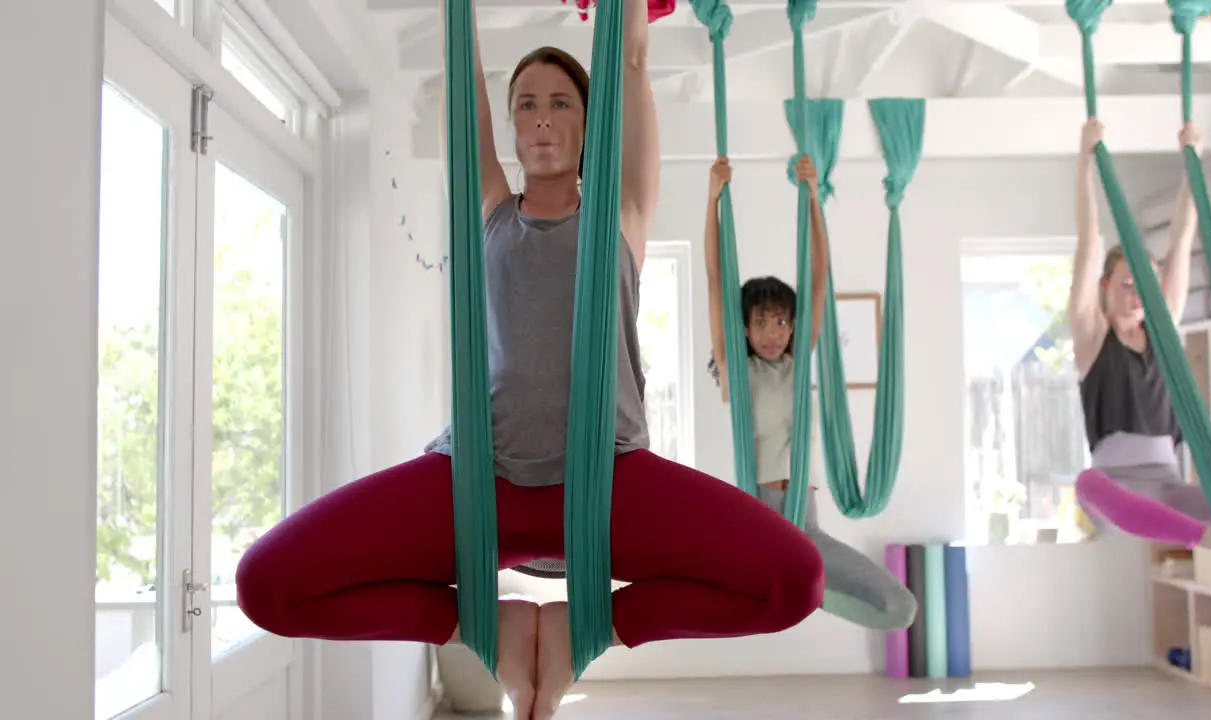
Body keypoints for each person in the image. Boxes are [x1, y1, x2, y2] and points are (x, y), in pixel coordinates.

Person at [233, 2, 826, 719]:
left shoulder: (623, 216)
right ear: (511, 125)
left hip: (607, 481)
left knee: (795, 581)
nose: (542, 118)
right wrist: (460, 621)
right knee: (267, 586)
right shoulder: (490, 210)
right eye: (525, 105)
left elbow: (633, 65)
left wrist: (627, 14)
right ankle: (491, 630)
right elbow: (462, 78)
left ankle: (590, 631)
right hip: (480, 482)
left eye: (562, 103)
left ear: (588, 123)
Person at [702, 156, 917, 630]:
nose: (774, 331)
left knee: (900, 609)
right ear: (745, 327)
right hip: (758, 515)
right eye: (761, 321)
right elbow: (716, 279)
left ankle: (804, 591)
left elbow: (820, 278)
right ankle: (779, 585)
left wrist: (814, 197)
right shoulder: (738, 372)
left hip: (805, 515)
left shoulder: (799, 368)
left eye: (782, 320)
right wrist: (714, 199)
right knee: (759, 594)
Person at [1070, 118, 1211, 553]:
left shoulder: (1161, 332)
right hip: (1116, 488)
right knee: (1086, 482)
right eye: (1128, 284)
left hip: (1169, 486)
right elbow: (1088, 243)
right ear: (1105, 286)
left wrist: (1192, 163)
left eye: (1144, 286)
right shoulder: (1093, 336)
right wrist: (1085, 159)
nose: (1137, 296)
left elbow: (1182, 239)